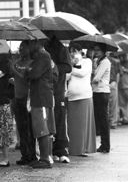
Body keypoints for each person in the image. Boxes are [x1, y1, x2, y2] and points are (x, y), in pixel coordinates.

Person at [26, 40, 56, 169]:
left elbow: (34, 74)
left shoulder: (43, 56)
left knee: (43, 128)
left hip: (42, 97)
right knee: (40, 128)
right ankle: (44, 158)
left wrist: (28, 69)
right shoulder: (40, 56)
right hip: (39, 97)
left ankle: (45, 159)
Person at [44, 34, 72, 163]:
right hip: (44, 90)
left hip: (58, 90)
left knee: (60, 119)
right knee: (47, 121)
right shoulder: (39, 47)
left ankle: (62, 150)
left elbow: (67, 67)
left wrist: (53, 65)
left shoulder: (61, 49)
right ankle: (49, 151)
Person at [10, 41, 38, 165]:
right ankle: (24, 155)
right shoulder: (17, 62)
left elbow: (26, 78)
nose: (20, 50)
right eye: (20, 47)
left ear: (29, 49)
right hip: (17, 98)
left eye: (23, 47)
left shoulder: (32, 63)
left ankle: (32, 155)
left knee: (30, 129)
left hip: (28, 99)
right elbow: (15, 78)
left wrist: (13, 70)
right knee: (21, 128)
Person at [66, 43, 96, 156]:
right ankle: (73, 148)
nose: (72, 53)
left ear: (80, 51)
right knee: (73, 124)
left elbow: (82, 73)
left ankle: (83, 148)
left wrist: (73, 66)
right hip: (72, 96)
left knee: (83, 124)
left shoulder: (87, 61)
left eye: (75, 51)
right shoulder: (70, 63)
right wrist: (70, 65)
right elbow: (66, 77)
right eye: (71, 51)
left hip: (84, 96)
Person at [91, 44, 111, 153]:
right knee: (100, 119)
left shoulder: (105, 62)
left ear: (103, 51)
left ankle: (105, 145)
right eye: (95, 50)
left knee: (103, 119)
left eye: (98, 50)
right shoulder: (99, 62)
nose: (96, 52)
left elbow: (97, 78)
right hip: (98, 92)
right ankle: (103, 144)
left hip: (102, 92)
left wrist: (90, 80)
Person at [108, 54, 120, 129]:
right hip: (105, 84)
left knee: (113, 104)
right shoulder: (96, 60)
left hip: (112, 83)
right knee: (109, 104)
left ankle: (113, 122)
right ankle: (111, 121)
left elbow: (118, 73)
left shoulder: (114, 61)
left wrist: (116, 83)